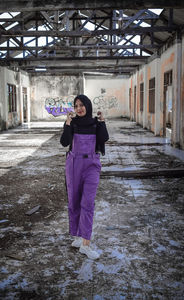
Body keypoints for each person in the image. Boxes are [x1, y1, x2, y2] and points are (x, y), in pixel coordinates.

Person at [60, 94, 109, 259]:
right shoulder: (72, 123)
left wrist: (102, 121)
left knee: (87, 203)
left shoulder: (96, 123)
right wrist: (67, 123)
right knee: (73, 201)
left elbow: (104, 138)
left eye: (82, 105)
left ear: (88, 106)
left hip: (92, 165)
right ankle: (77, 235)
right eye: (76, 105)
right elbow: (64, 142)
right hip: (74, 164)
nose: (79, 108)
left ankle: (86, 244)